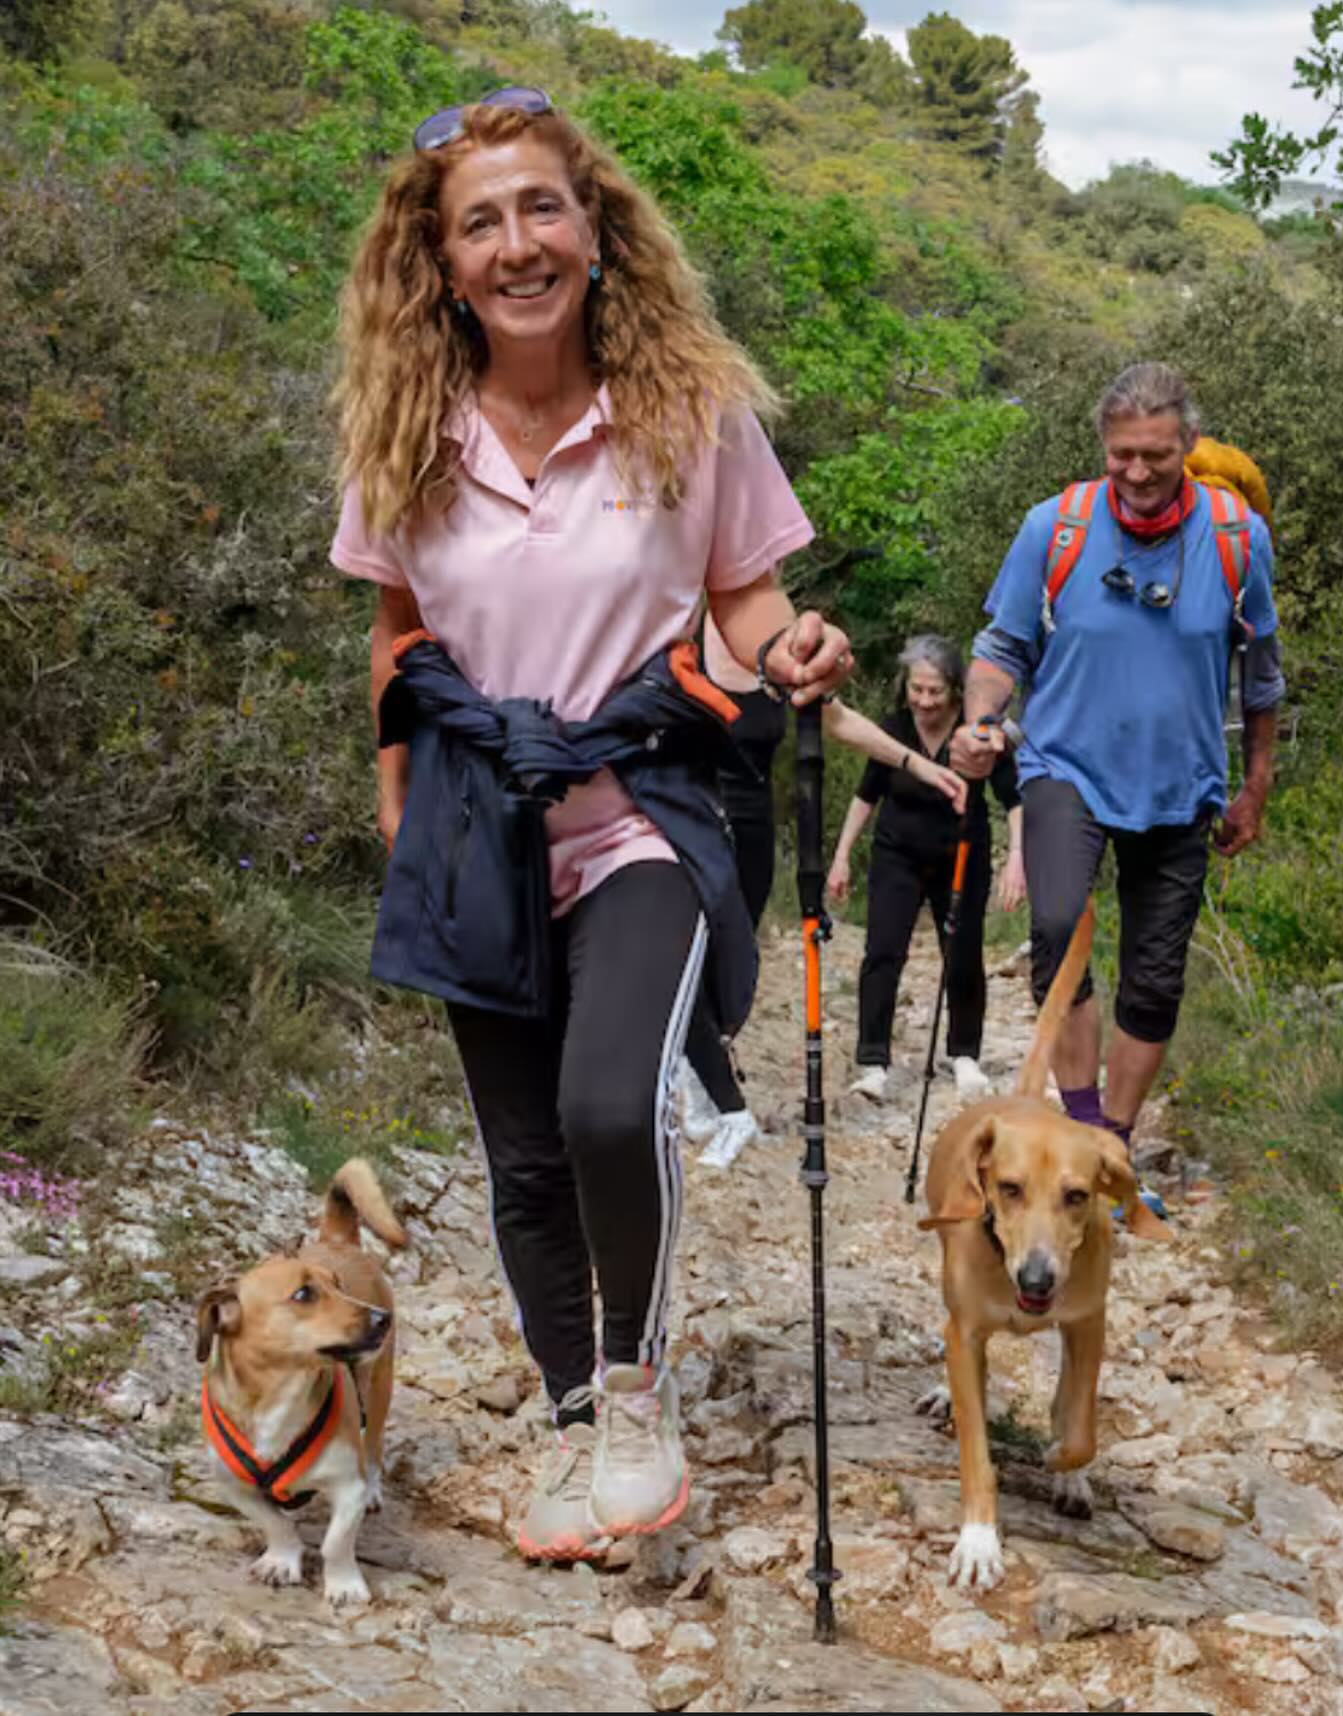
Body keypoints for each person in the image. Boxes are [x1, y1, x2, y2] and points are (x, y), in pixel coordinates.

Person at [329, 87, 855, 1563]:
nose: (517, 244)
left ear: (596, 228)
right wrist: (399, 813)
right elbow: (396, 626)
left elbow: (747, 598)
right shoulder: (405, 433)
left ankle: (635, 1392)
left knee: (608, 1107)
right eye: (479, 222)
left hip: (643, 813)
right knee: (522, 1161)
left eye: (540, 209)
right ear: (437, 263)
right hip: (472, 831)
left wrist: (792, 647)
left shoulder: (691, 410)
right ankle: (568, 1420)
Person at [951, 361, 1283, 1166]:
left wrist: (1255, 784)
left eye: (1154, 456)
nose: (1136, 472)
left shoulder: (1238, 537)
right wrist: (978, 722)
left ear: (1187, 447)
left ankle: (1113, 1146)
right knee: (1058, 929)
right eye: (1120, 455)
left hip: (1182, 781)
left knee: (1154, 976)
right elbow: (1002, 646)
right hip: (1065, 767)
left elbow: (1262, 670)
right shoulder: (1054, 527)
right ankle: (1081, 1118)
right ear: (1102, 447)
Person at [682, 619, 968, 1167]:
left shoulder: (776, 647)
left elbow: (837, 720)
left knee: (733, 967)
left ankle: (701, 1083)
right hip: (691, 823)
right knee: (686, 960)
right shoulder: (682, 634)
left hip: (752, 831)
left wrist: (919, 766)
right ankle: (709, 1099)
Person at [827, 635, 1025, 1105]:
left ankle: (964, 1055)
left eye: (934, 691)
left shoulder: (976, 733)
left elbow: (1014, 799)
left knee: (962, 951)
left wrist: (1017, 859)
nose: (924, 701)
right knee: (882, 951)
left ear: (955, 690)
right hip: (897, 854)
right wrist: (840, 856)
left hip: (962, 854)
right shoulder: (892, 729)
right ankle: (873, 1061)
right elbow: (866, 794)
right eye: (917, 689)